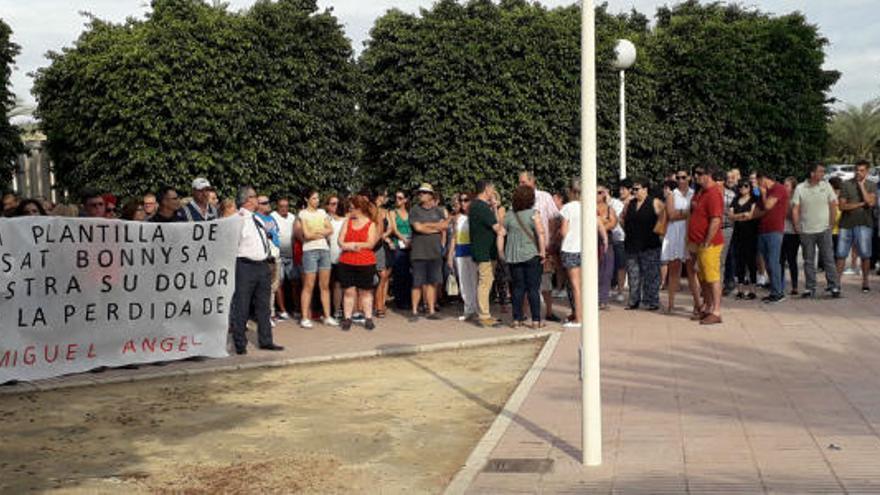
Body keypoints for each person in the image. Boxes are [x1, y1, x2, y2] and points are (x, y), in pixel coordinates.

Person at [229, 186, 284, 355]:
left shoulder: (258, 219)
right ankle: (240, 344)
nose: (257, 199)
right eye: (254, 197)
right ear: (247, 200)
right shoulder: (237, 219)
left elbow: (266, 240)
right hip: (245, 265)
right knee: (242, 306)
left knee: (264, 306)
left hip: (262, 265)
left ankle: (266, 340)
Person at [518, 171, 561, 322]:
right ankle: (524, 313)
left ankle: (548, 312)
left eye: (523, 182)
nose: (520, 185)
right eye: (520, 182)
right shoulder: (518, 198)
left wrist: (552, 241)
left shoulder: (544, 197)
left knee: (545, 281)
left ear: (532, 181)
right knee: (524, 281)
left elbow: (555, 218)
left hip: (544, 246)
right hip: (525, 247)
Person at [792, 163, 840, 298]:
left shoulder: (826, 186)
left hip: (824, 229)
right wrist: (796, 225)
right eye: (820, 171)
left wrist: (831, 223)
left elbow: (833, 205)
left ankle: (834, 286)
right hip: (806, 230)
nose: (823, 174)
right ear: (812, 173)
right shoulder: (800, 188)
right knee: (808, 260)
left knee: (828, 259)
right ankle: (810, 288)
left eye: (823, 172)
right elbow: (795, 208)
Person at [504, 185, 546, 328]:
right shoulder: (534, 213)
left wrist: (501, 252)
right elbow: (540, 233)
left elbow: (500, 234)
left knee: (517, 288)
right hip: (531, 254)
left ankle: (516, 319)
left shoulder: (509, 215)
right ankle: (536, 320)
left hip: (513, 256)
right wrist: (543, 251)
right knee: (533, 288)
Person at [687, 167, 725, 325]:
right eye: (695, 174)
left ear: (709, 175)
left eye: (700, 174)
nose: (696, 177)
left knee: (712, 277)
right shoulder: (701, 192)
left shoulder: (714, 193)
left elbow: (716, 219)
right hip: (698, 242)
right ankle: (708, 307)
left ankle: (716, 311)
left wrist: (707, 241)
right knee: (703, 277)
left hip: (709, 243)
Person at [337, 195, 380, 331]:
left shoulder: (370, 223)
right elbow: (340, 240)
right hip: (347, 261)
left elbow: (371, 243)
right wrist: (349, 246)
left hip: (365, 262)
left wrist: (353, 244)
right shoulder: (347, 221)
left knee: (365, 292)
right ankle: (347, 318)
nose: (350, 210)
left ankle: (368, 318)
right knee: (348, 291)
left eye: (352, 208)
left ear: (359, 208)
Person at [298, 189, 338, 328]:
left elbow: (330, 229)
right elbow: (307, 235)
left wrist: (317, 232)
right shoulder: (302, 214)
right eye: (314, 198)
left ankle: (327, 316)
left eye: (318, 198)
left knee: (325, 286)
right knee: (309, 285)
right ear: (306, 199)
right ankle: (304, 318)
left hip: (324, 251)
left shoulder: (322, 212)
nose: (317, 200)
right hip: (310, 251)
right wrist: (321, 233)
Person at [408, 183, 449, 321]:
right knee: (417, 283)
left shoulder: (438, 210)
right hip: (418, 252)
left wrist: (427, 225)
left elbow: (445, 226)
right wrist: (436, 228)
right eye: (420, 192)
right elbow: (418, 228)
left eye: (424, 192)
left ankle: (431, 311)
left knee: (433, 282)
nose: (421, 194)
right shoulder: (414, 210)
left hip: (435, 252)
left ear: (431, 195)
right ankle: (414, 312)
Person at [623, 178, 664, 311]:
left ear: (645, 189)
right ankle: (633, 301)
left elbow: (664, 217)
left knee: (651, 275)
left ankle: (651, 301)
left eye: (636, 189)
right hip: (632, 245)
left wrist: (659, 230)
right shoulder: (630, 203)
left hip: (650, 245)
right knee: (633, 275)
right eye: (632, 189)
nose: (633, 191)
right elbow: (622, 219)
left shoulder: (654, 202)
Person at [836, 160, 877, 293]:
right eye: (857, 170)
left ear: (867, 171)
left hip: (865, 224)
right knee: (841, 254)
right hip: (846, 224)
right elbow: (842, 206)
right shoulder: (846, 184)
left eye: (862, 170)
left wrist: (861, 185)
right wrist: (860, 204)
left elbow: (870, 203)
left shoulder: (871, 185)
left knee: (865, 254)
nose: (858, 173)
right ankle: (837, 282)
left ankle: (865, 282)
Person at [469, 180, 505, 327]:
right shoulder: (481, 207)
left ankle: (486, 314)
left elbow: (495, 222)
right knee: (485, 282)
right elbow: (498, 227)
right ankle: (484, 316)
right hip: (484, 251)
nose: (494, 192)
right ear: (486, 189)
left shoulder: (479, 206)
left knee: (487, 281)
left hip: (486, 250)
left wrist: (495, 207)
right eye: (492, 189)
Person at [753, 171, 789, 303]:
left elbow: (768, 205)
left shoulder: (778, 189)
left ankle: (778, 292)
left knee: (773, 262)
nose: (757, 185)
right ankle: (774, 290)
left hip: (774, 230)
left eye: (758, 181)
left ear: (764, 179)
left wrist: (763, 193)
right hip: (763, 229)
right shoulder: (765, 192)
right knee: (768, 262)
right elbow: (759, 209)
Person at [661, 170, 694, 313]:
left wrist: (681, 213)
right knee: (674, 269)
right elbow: (672, 215)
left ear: (689, 178)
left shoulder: (694, 193)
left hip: (690, 232)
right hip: (675, 232)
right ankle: (671, 304)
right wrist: (688, 212)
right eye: (678, 177)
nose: (681, 180)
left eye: (683, 177)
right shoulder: (672, 194)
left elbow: (677, 213)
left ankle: (697, 304)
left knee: (693, 270)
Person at [447, 192, 478, 321]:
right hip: (460, 252)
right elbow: (454, 237)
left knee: (475, 281)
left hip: (473, 252)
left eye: (466, 200)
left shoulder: (475, 216)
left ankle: (479, 309)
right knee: (464, 282)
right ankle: (468, 309)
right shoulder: (456, 218)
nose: (463, 203)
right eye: (461, 200)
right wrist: (450, 255)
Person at [255, 195, 282, 326]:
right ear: (258, 205)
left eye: (268, 202)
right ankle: (266, 315)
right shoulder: (256, 218)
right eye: (264, 203)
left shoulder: (271, 218)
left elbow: (276, 233)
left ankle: (271, 313)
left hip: (276, 255)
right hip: (266, 257)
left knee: (274, 287)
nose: (268, 204)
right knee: (265, 288)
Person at [560, 179, 584, 327]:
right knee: (581, 284)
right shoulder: (587, 206)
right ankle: (579, 314)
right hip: (584, 248)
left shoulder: (567, 208)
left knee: (575, 286)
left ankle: (578, 318)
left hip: (570, 248)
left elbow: (564, 231)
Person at [730, 180, 759, 300]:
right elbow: (730, 216)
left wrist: (738, 216)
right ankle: (740, 290)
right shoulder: (735, 200)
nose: (743, 188)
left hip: (751, 234)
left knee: (751, 262)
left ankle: (752, 290)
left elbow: (751, 215)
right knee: (739, 262)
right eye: (741, 186)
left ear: (750, 187)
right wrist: (743, 215)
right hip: (738, 234)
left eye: (746, 186)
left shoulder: (753, 200)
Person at [271, 197, 296, 320]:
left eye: (286, 206)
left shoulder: (292, 217)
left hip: (291, 255)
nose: (284, 208)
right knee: (279, 283)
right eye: (281, 206)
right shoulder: (273, 216)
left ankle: (295, 309)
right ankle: (282, 310)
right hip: (278, 256)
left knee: (294, 282)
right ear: (277, 207)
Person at [389, 190, 413, 311]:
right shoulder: (393, 212)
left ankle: (409, 299)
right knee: (400, 273)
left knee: (410, 273)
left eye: (400, 198)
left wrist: (411, 241)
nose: (397, 200)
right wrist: (404, 239)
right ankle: (400, 300)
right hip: (399, 244)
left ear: (405, 200)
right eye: (396, 197)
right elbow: (394, 228)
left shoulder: (410, 212)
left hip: (411, 244)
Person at [373, 189, 394, 318]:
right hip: (373, 245)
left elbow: (390, 227)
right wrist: (380, 237)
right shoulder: (370, 211)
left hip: (384, 244)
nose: (385, 198)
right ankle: (377, 305)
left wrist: (384, 236)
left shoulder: (386, 212)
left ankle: (381, 303)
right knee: (379, 275)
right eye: (383, 195)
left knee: (385, 275)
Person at [597, 186, 618, 310]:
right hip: (592, 242)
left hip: (607, 243)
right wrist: (604, 223)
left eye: (601, 192)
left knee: (607, 271)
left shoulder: (610, 209)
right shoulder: (588, 207)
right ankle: (593, 298)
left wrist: (600, 225)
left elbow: (613, 223)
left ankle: (603, 300)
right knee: (595, 271)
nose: (598, 195)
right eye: (596, 192)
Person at [327, 194, 346, 319]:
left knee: (340, 284)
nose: (335, 206)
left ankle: (340, 310)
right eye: (332, 203)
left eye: (337, 203)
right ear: (327, 206)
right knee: (327, 286)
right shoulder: (325, 220)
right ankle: (331, 311)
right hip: (327, 257)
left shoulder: (345, 220)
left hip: (343, 256)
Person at [780, 177, 800, 295]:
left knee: (792, 260)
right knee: (780, 260)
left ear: (793, 187)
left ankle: (795, 285)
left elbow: (791, 215)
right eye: (784, 185)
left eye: (787, 185)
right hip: (781, 232)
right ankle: (780, 284)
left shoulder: (795, 200)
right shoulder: (781, 198)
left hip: (792, 233)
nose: (784, 187)